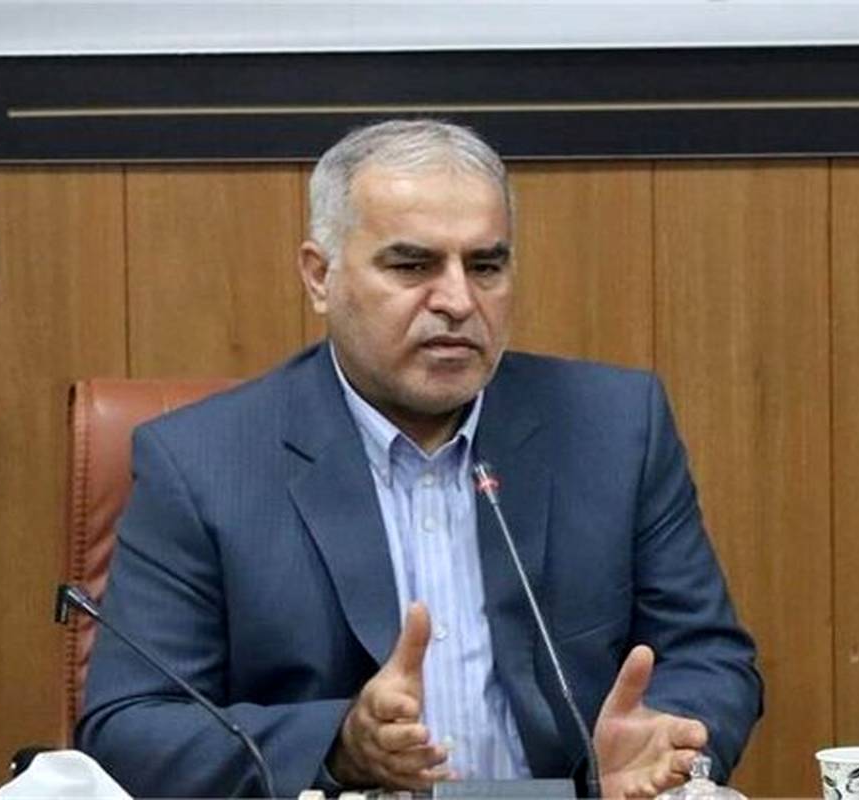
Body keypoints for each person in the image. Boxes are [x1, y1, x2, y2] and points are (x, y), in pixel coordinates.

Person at [76, 119, 762, 798]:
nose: (458, 301)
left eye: (485, 266)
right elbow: (128, 727)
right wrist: (340, 746)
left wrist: (668, 745)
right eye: (412, 266)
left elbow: (708, 657)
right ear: (319, 277)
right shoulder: (201, 463)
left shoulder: (614, 427)